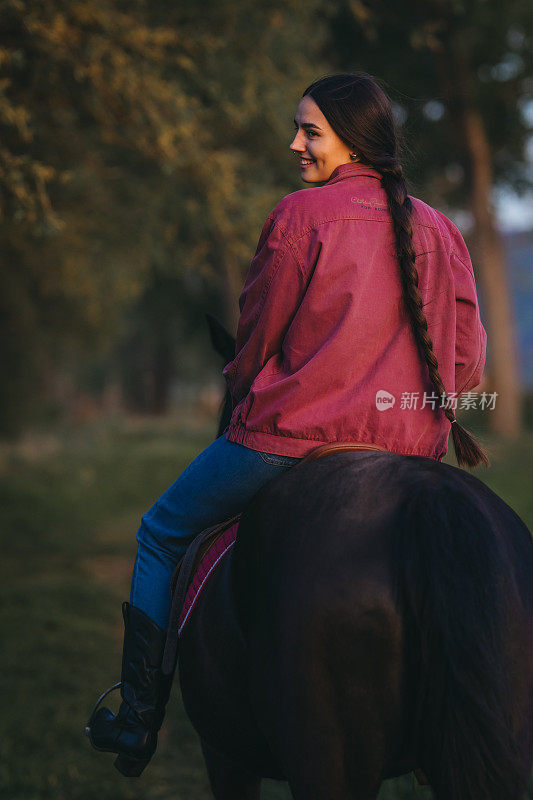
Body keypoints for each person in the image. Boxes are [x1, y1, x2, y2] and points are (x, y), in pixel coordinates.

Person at [85, 72, 488, 776]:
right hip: (413, 454)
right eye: (297, 128)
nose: (293, 143)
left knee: (158, 531)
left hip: (290, 443)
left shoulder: (300, 218)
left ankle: (137, 718)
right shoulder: (441, 230)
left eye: (309, 131)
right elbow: (467, 363)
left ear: (351, 140)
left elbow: (254, 346)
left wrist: (247, 390)